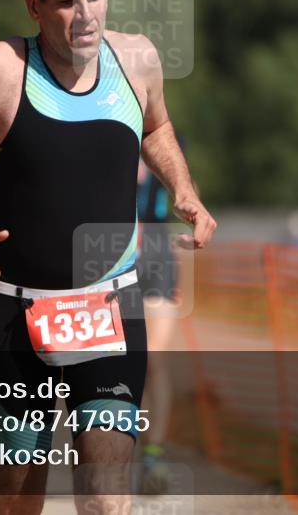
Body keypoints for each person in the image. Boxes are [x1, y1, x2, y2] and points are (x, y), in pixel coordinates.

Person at [0, 0, 217, 515]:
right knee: (19, 505)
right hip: (16, 316)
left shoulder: (137, 60)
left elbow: (156, 128)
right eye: (67, 1)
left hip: (108, 311)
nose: (86, 16)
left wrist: (185, 188)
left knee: (105, 501)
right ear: (34, 4)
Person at [135, 159, 180, 494]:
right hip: (109, 249)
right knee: (112, 359)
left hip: (157, 253)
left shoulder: (166, 144)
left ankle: (153, 455)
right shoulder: (101, 133)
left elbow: (187, 188)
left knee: (154, 362)